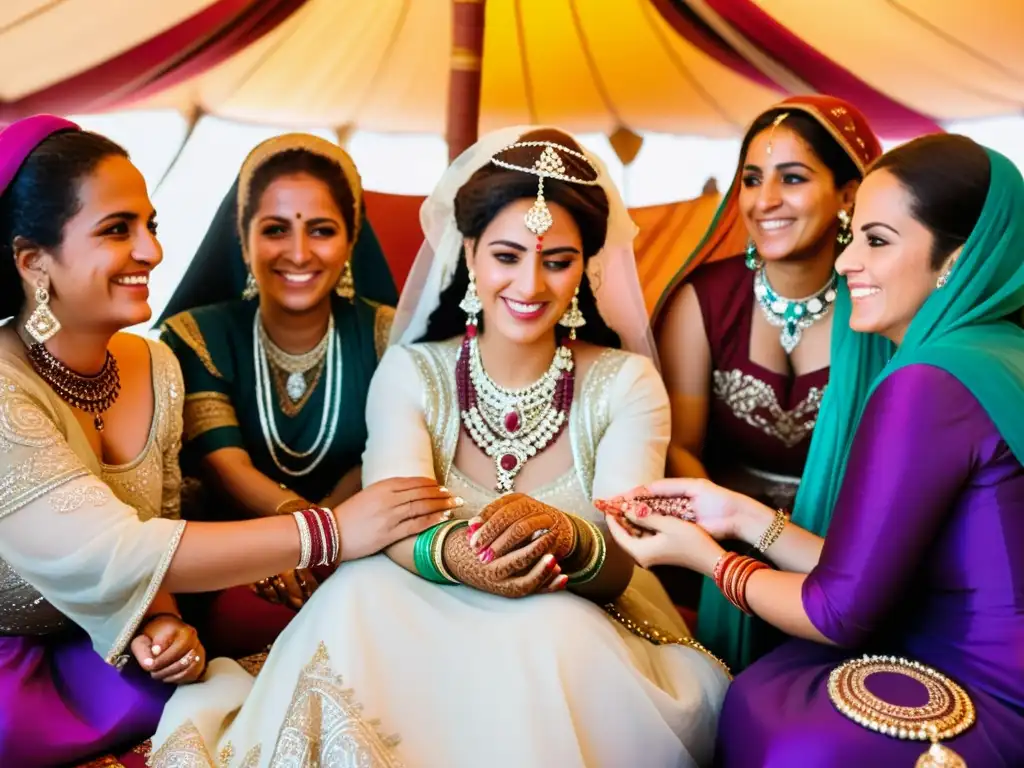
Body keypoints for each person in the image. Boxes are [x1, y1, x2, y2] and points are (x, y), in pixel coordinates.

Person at [148, 127, 731, 768]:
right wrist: (465, 557)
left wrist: (567, 538)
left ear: (586, 265)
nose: (530, 285)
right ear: (470, 254)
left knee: (552, 630)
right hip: (421, 595)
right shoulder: (413, 370)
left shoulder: (624, 383)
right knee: (355, 593)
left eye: (557, 260)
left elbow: (628, 552)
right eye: (507, 256)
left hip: (579, 617)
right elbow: (393, 519)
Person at [0, 115, 453, 768]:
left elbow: (154, 521)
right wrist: (331, 531)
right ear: (33, 262)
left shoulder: (152, 366)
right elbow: (117, 548)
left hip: (107, 655)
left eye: (149, 225)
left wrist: (159, 622)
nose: (152, 251)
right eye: (116, 230)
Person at [604, 135, 1024, 767]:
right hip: (963, 645)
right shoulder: (998, 351)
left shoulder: (926, 382)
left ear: (955, 262)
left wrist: (708, 559)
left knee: (768, 713)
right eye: (853, 236)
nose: (848, 261)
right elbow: (866, 569)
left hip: (985, 690)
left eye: (877, 242)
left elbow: (837, 614)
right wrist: (739, 515)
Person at [651, 96, 883, 668]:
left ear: (849, 194)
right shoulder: (703, 299)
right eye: (752, 179)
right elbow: (680, 444)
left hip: (843, 552)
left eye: (793, 178)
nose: (765, 201)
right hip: (720, 546)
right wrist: (725, 539)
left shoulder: (881, 305)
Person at [159, 134, 398, 657]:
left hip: (361, 547)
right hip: (235, 554)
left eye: (321, 231)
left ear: (351, 239)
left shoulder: (389, 335)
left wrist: (320, 544)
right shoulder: (197, 335)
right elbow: (225, 464)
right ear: (243, 241)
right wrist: (305, 533)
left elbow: (384, 452)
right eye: (274, 230)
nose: (298, 253)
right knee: (244, 620)